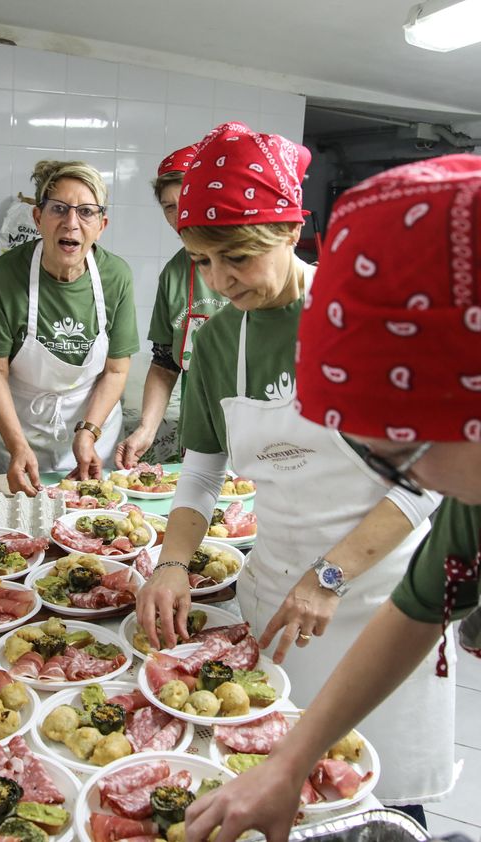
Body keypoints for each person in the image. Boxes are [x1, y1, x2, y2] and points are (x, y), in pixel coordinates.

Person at [136, 122, 453, 816]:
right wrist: (172, 562)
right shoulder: (220, 340)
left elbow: (429, 481)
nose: (220, 280)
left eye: (238, 257)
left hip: (382, 602)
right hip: (277, 601)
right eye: (202, 260)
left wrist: (331, 574)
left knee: (381, 799)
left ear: (290, 229)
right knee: (278, 793)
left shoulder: (361, 320)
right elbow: (200, 470)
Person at [0, 160, 139, 495]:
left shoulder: (117, 277)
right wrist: (17, 446)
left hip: (91, 433)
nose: (71, 223)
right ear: (38, 218)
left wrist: (88, 432)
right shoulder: (5, 276)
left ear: (101, 225)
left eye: (86, 212)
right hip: (21, 432)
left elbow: (116, 371)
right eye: (59, 209)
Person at [115, 146, 228, 468]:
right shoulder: (174, 274)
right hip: (200, 430)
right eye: (169, 207)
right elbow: (165, 362)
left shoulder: (248, 264)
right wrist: (147, 430)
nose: (180, 217)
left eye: (189, 204)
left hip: (260, 431)